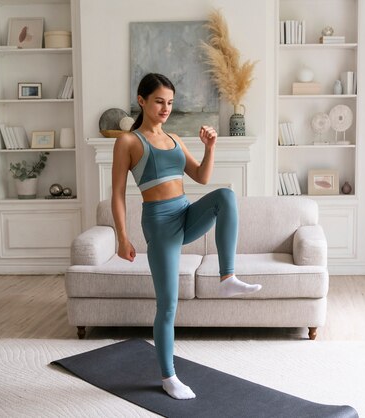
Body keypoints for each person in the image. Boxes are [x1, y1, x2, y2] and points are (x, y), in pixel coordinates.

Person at [111, 73, 262, 400]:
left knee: (226, 197)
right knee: (167, 305)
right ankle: (168, 376)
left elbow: (202, 177)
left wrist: (210, 147)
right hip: (159, 223)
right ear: (142, 101)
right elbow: (118, 195)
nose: (165, 108)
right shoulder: (128, 142)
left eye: (169, 102)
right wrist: (122, 237)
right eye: (158, 101)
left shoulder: (176, 139)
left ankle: (227, 277)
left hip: (185, 212)